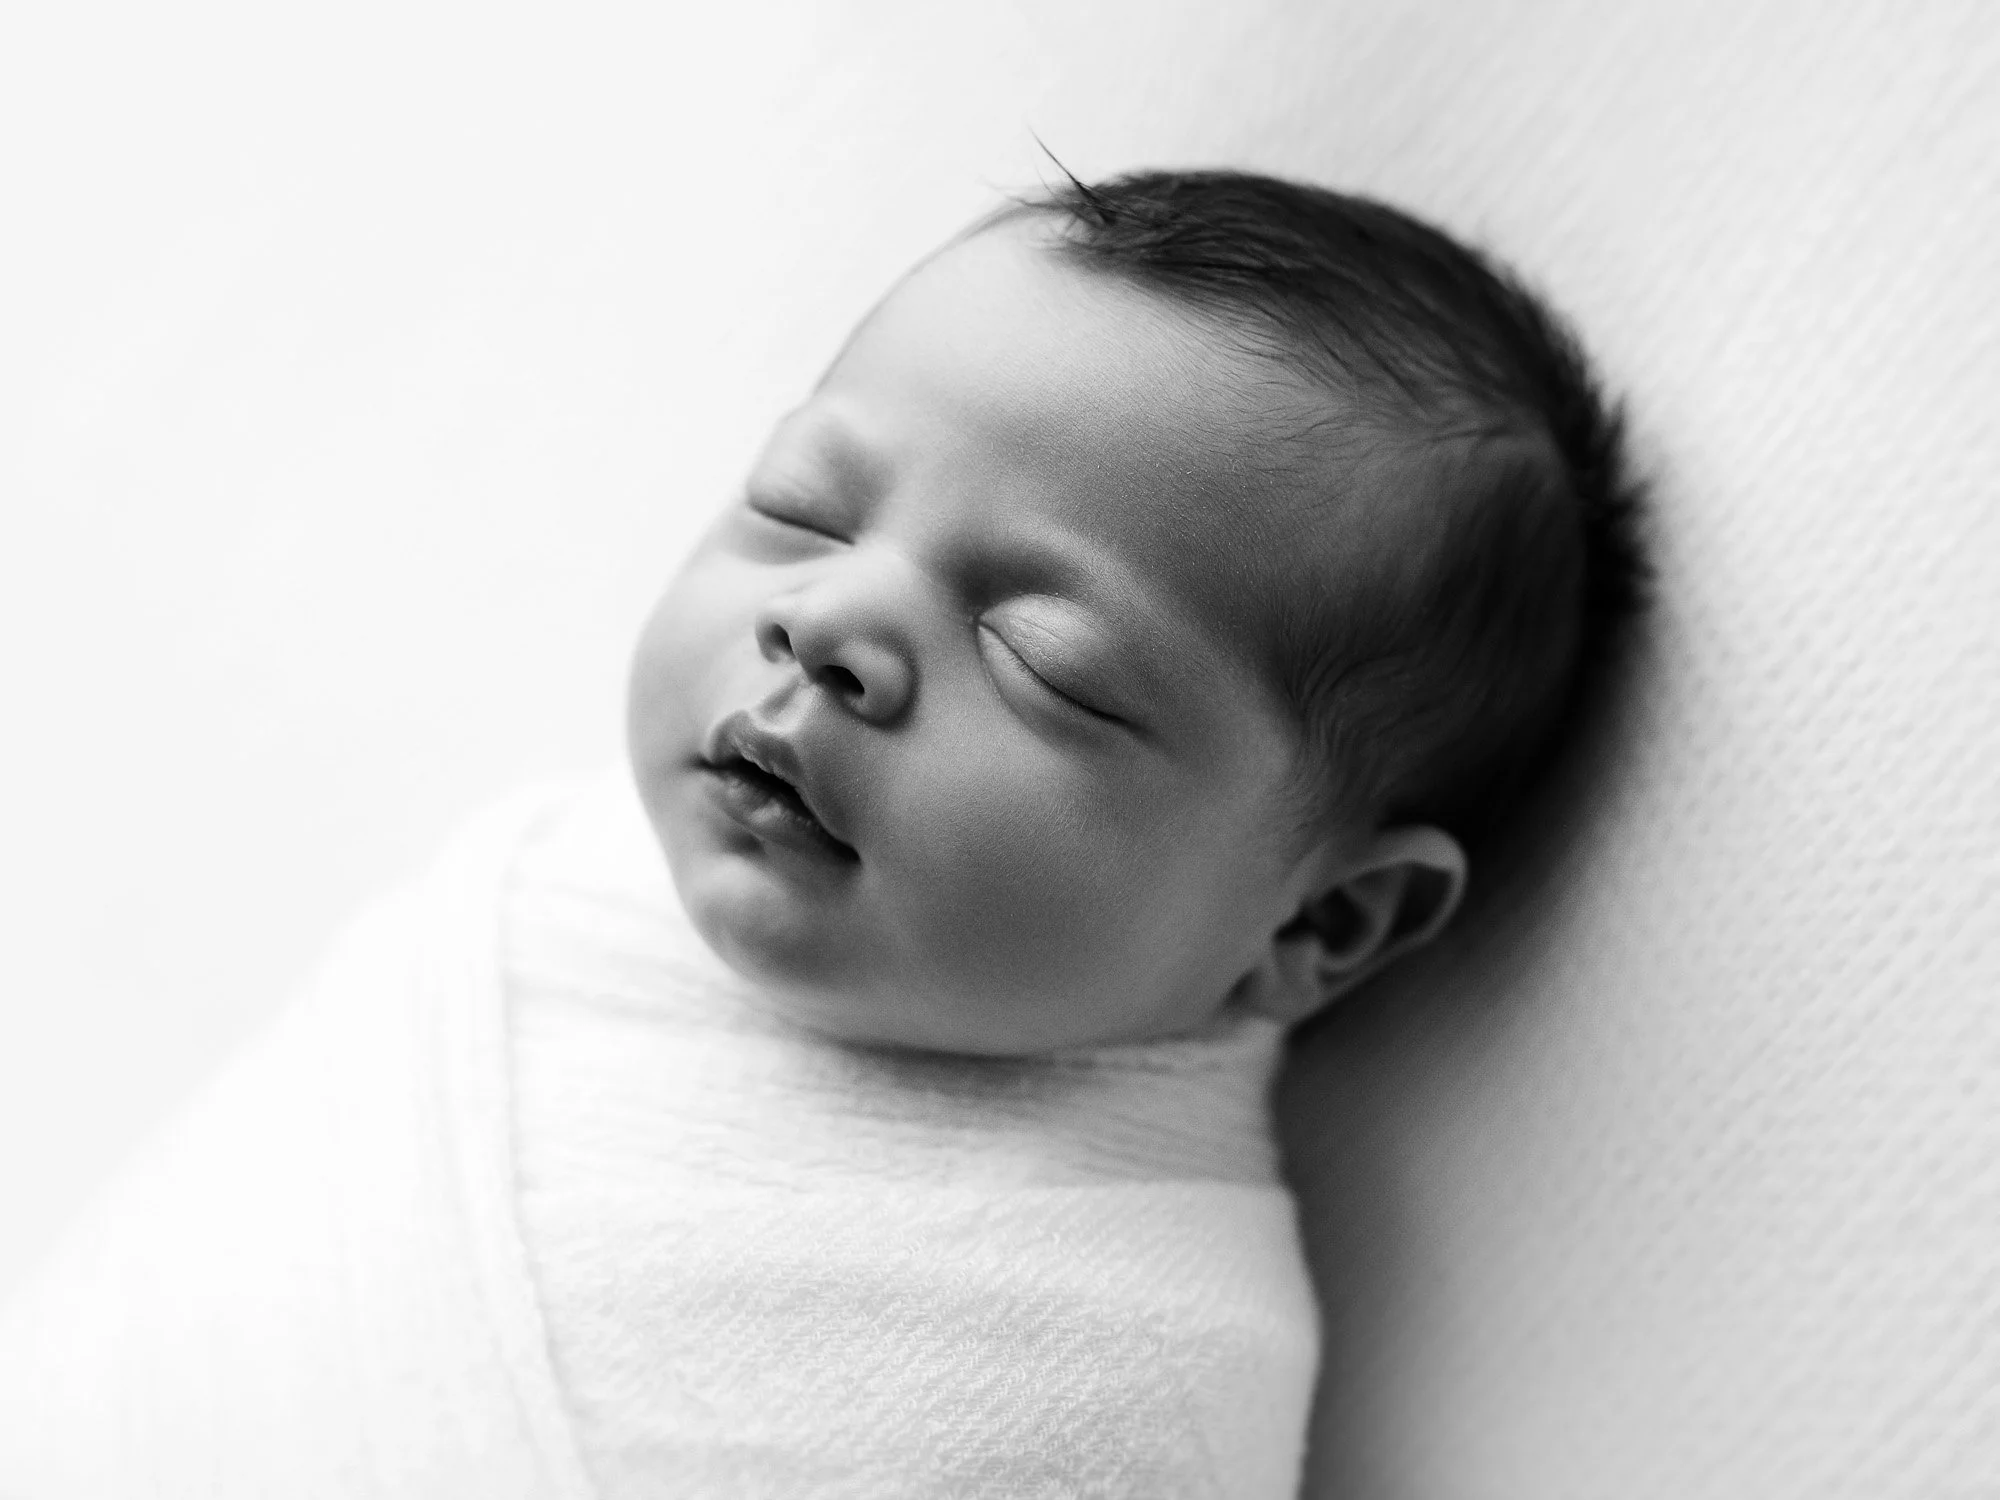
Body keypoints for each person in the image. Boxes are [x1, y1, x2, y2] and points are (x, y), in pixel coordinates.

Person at [0, 169, 1645, 1499]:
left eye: (1041, 660)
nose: (830, 620)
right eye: (804, 507)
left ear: (1323, 926)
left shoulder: (1128, 1368)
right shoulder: (560, 894)